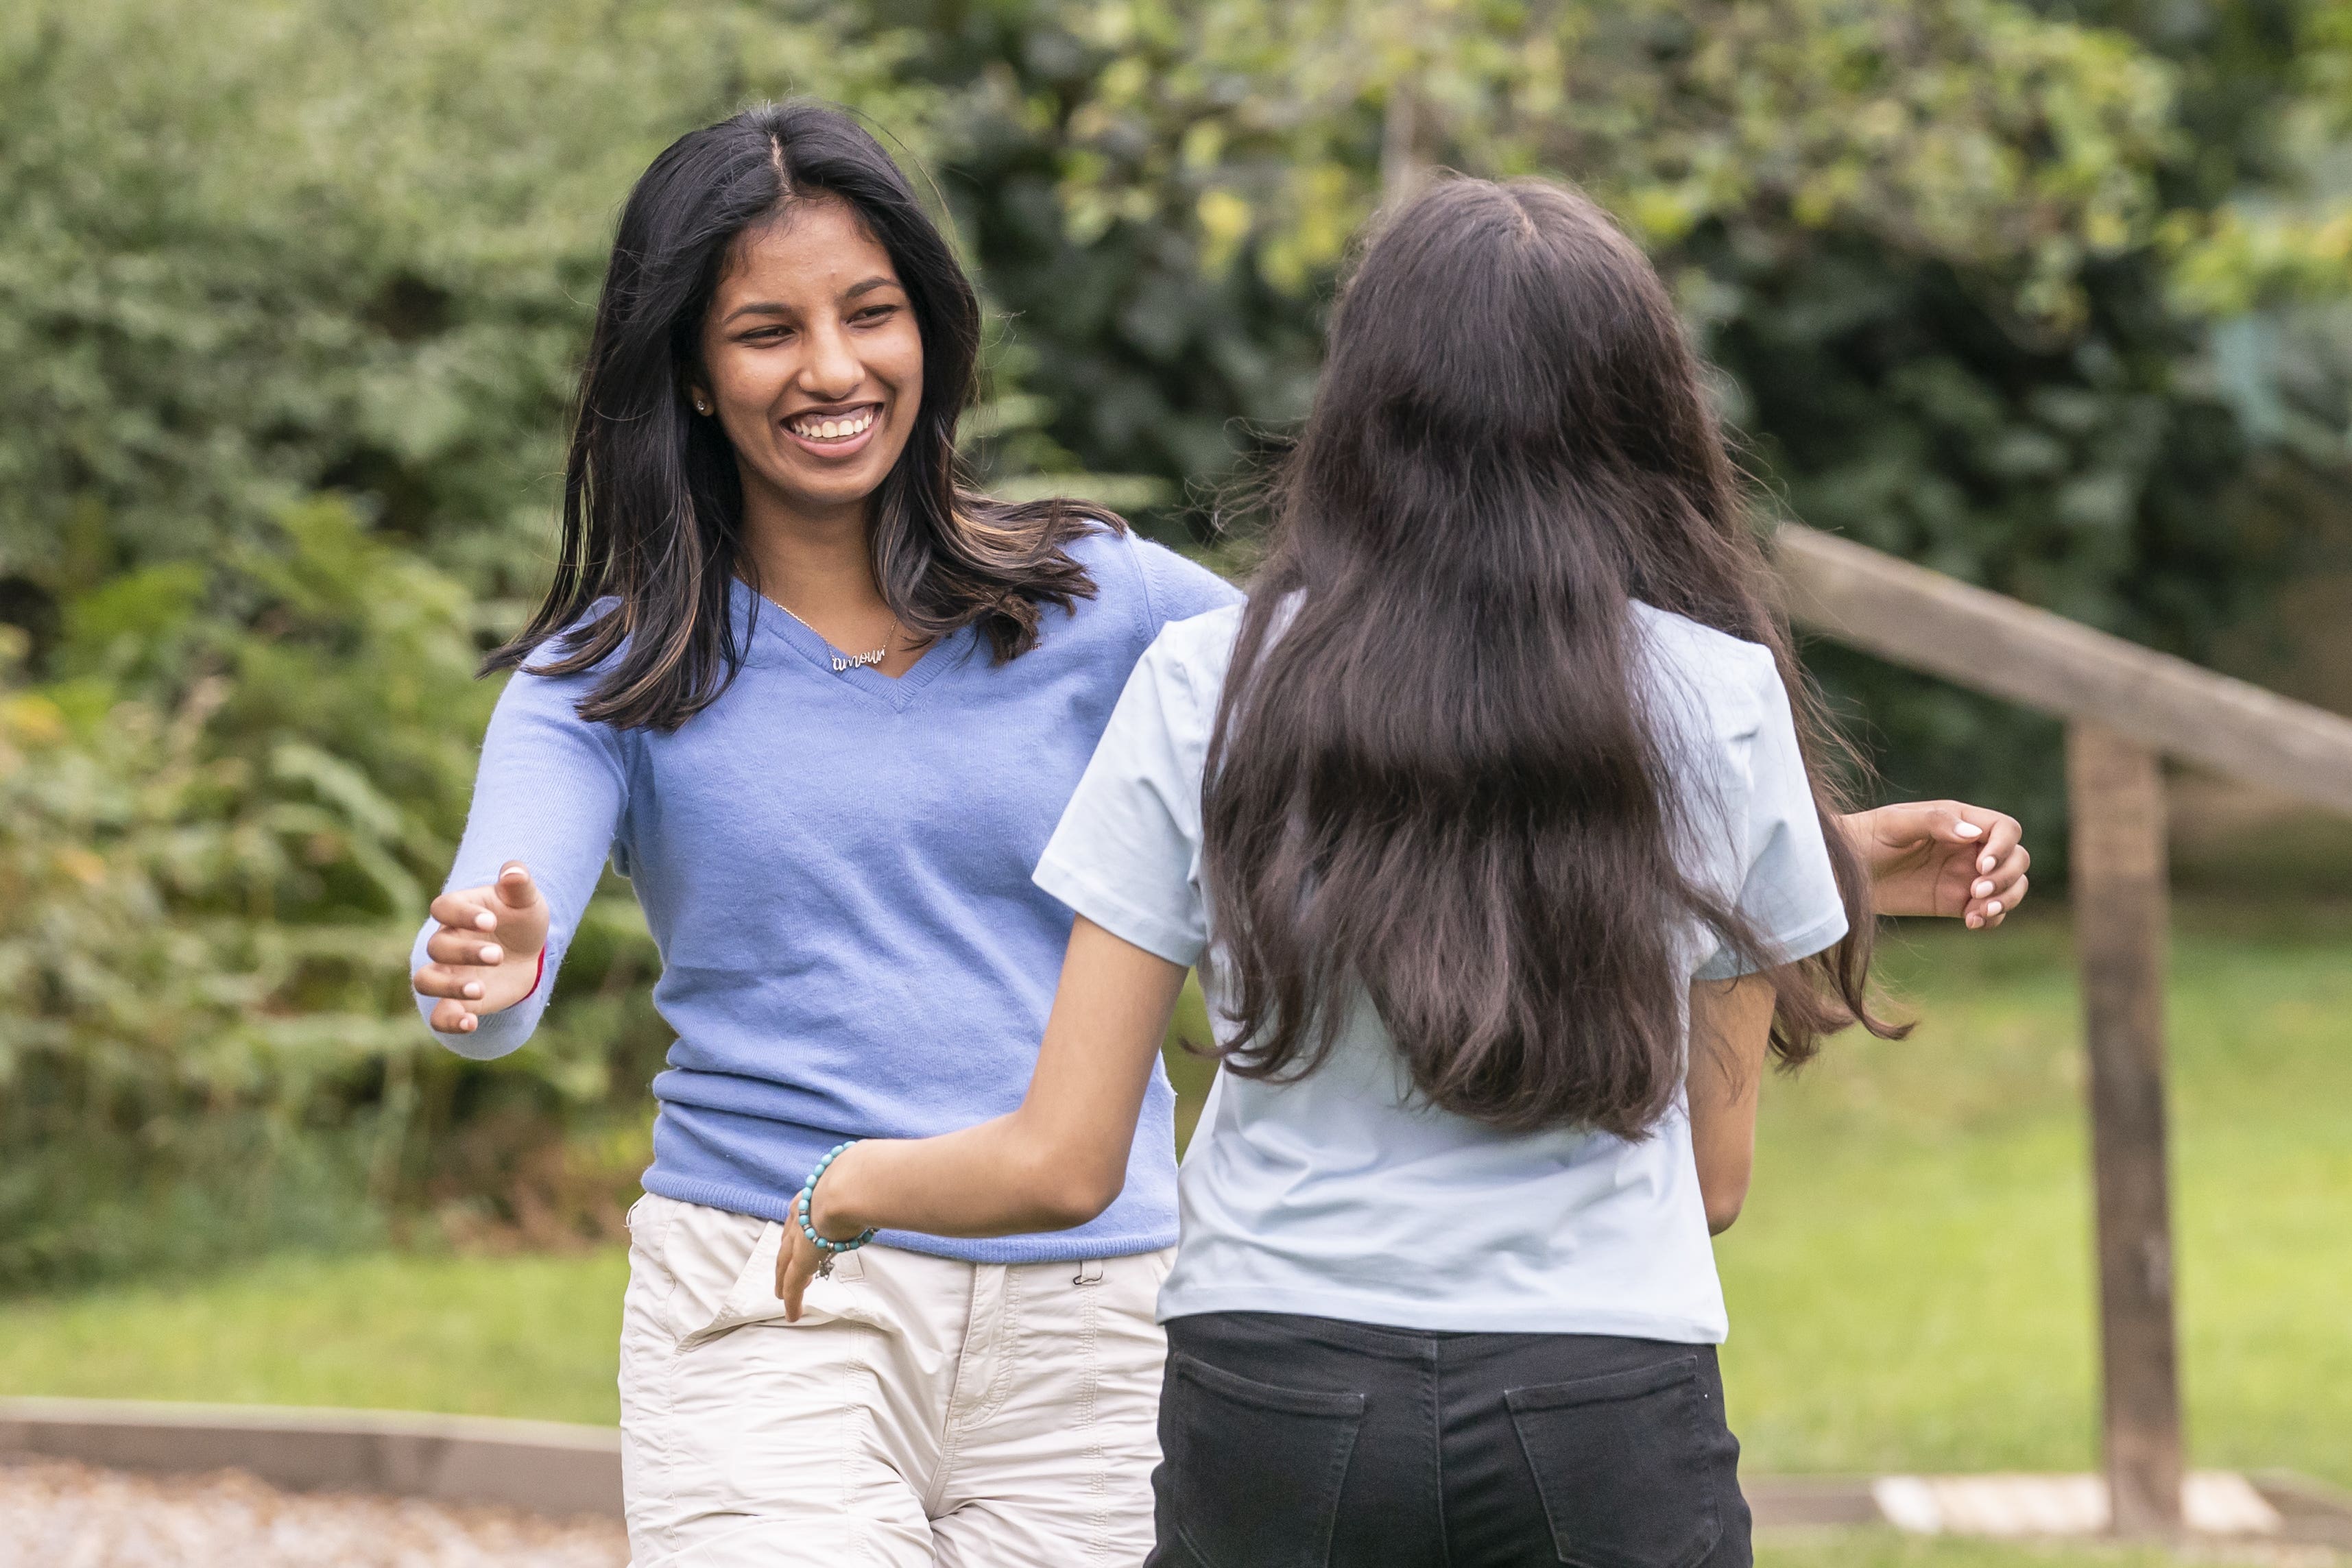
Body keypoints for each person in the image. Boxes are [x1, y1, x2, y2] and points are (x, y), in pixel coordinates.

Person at [411, 106, 2026, 1567]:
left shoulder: (1106, 603)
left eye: (870, 313)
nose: (830, 369)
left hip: (1101, 1309)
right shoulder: (610, 674)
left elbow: (1447, 718)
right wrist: (489, 971)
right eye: (767, 332)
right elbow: (507, 929)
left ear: (933, 330)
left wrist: (1804, 844)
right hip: (782, 1273)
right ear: (692, 371)